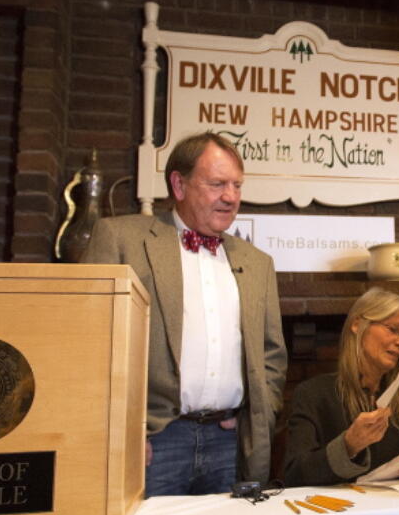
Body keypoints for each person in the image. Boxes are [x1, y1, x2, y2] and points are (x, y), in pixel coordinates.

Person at [83, 132, 287, 496]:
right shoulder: (119, 239)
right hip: (154, 442)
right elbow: (89, 346)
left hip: (230, 445)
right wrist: (124, 430)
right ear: (178, 183)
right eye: (217, 184)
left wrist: (256, 420)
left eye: (237, 185)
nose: (231, 196)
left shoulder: (258, 263)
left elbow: (272, 356)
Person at [283, 288, 399, 486]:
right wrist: (348, 445)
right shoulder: (314, 394)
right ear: (357, 324)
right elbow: (295, 475)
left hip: (393, 509)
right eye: (393, 329)